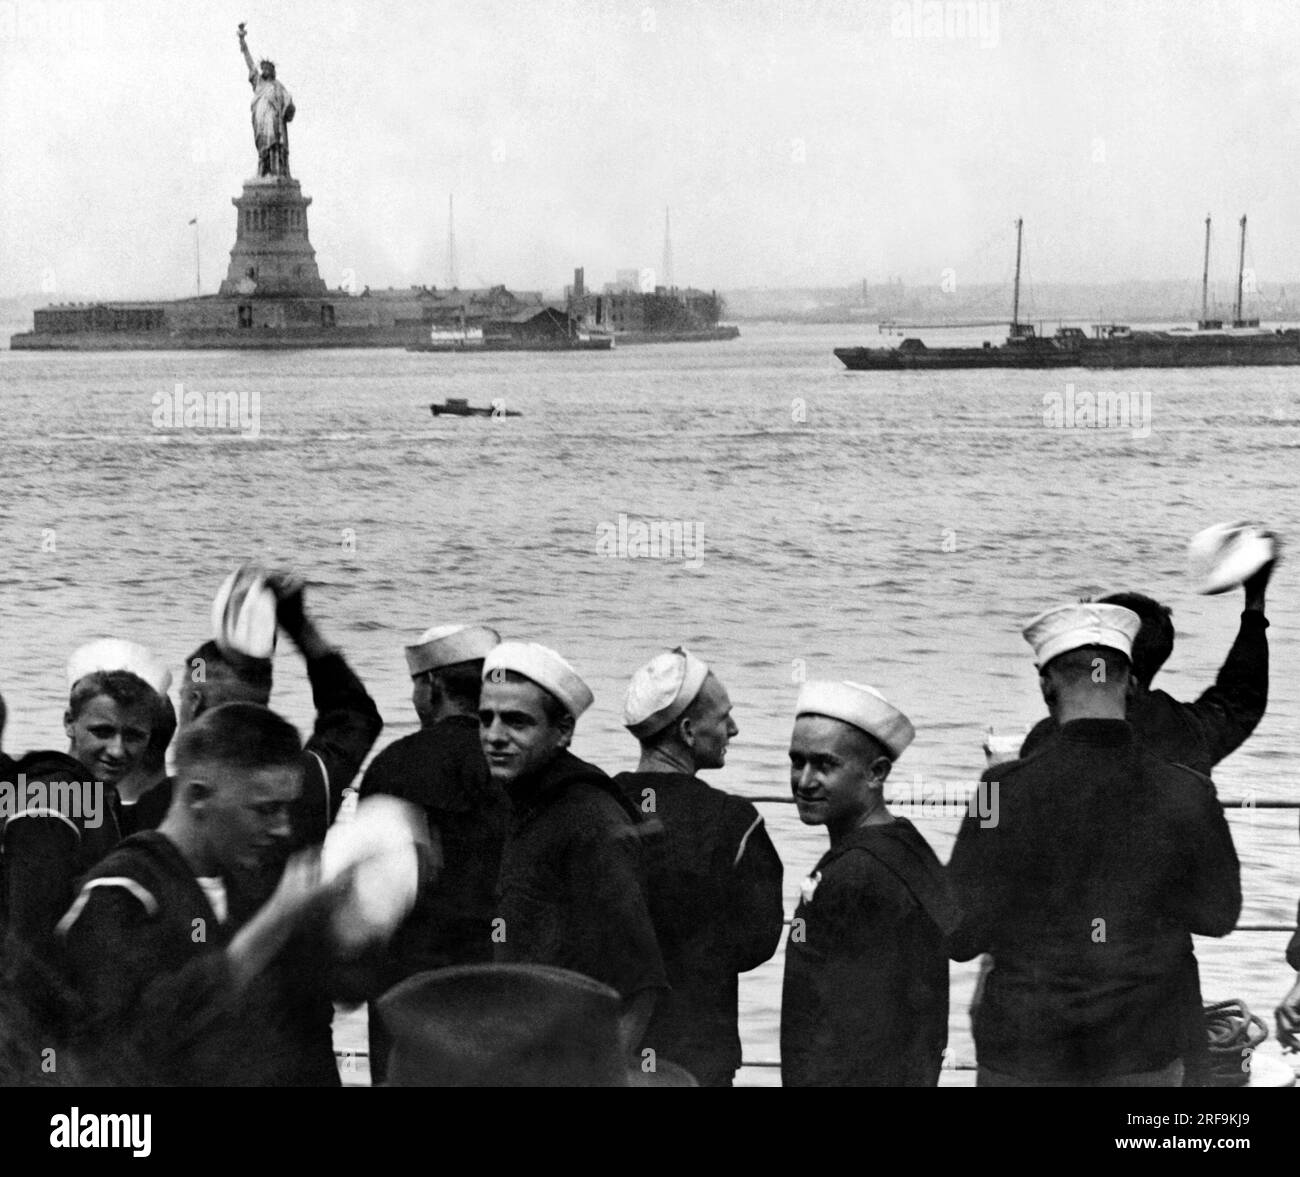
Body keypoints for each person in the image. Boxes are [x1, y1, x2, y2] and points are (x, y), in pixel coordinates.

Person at [949, 603, 1242, 1087]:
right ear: (1130, 683)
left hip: (1024, 1051)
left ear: (1046, 685)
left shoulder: (998, 791)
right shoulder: (1187, 791)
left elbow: (961, 936)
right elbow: (1219, 916)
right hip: (1142, 1050)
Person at [58, 703, 355, 1085]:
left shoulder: (253, 888)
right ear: (198, 796)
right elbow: (128, 1044)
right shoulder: (118, 895)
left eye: (287, 810)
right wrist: (272, 925)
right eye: (267, 810)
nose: (283, 828)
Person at [480, 641, 667, 1057]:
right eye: (485, 718)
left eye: (516, 721)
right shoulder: (526, 802)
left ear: (562, 731)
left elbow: (641, 979)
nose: (494, 736)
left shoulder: (591, 820)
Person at [613, 647, 784, 1086]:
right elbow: (758, 942)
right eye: (724, 717)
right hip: (698, 1048)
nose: (734, 728)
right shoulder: (735, 821)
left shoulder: (593, 803)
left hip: (604, 1047)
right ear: (688, 731)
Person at [780, 680, 955, 1087]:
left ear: (876, 772)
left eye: (825, 765)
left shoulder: (852, 875)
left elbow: (849, 1031)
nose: (804, 781)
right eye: (796, 761)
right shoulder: (906, 846)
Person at [358, 623, 507, 1083]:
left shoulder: (393, 765)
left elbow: (372, 895)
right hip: (498, 980)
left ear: (432, 686)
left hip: (406, 985)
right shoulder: (512, 760)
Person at [0, 641, 166, 1016]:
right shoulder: (55, 794)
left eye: (134, 735)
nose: (118, 750)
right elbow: (30, 941)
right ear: (69, 724)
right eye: (102, 731)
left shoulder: (89, 794)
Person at [1018, 557, 1275, 775]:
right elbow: (1242, 697)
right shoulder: (1190, 737)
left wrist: (993, 775)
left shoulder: (1045, 741)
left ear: (1047, 686)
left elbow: (985, 825)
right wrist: (1254, 605)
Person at [238, 25, 295, 178]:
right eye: (263, 68)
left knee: (274, 142)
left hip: (274, 120)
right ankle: (263, 171)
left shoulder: (278, 86)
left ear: (272, 70)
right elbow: (250, 63)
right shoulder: (258, 83)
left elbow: (288, 103)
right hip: (260, 118)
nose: (264, 70)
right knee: (263, 142)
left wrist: (288, 107)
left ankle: (276, 171)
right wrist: (243, 42)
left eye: (268, 68)